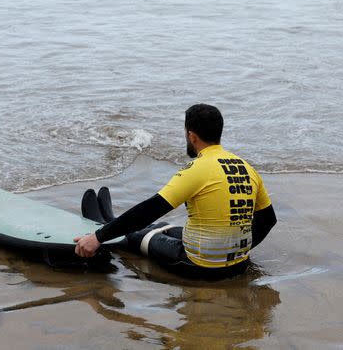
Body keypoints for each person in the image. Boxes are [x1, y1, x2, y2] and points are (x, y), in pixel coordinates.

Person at [74, 103, 277, 280]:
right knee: (163, 227)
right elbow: (268, 220)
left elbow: (150, 209)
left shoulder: (198, 168)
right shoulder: (246, 167)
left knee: (137, 237)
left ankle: (102, 230)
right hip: (238, 263)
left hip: (200, 266)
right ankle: (111, 220)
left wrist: (98, 237)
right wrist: (237, 252)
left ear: (191, 136)